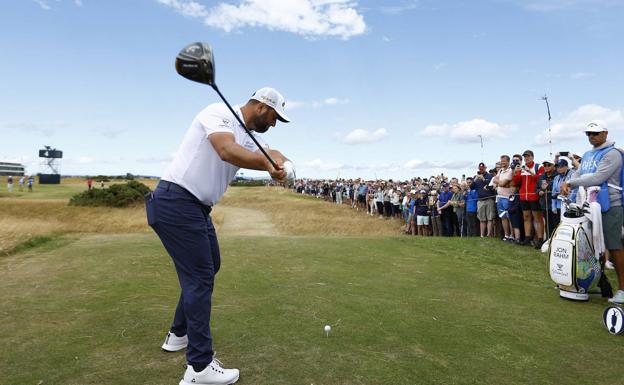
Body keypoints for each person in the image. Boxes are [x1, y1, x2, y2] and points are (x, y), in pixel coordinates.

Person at [147, 87, 290, 384]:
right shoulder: (218, 113)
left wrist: (285, 165)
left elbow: (270, 152)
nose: (275, 123)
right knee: (199, 278)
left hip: (196, 209)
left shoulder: (252, 137)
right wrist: (266, 165)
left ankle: (179, 333)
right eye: (275, 117)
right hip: (177, 202)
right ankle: (199, 368)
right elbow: (226, 150)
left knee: (210, 266)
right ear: (262, 107)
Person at [561, 122, 624, 304]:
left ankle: (622, 289)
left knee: (614, 246)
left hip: (610, 204)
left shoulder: (613, 154)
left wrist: (571, 183)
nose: (591, 137)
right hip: (588, 204)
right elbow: (578, 173)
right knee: (589, 245)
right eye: (588, 134)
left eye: (595, 133)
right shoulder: (588, 154)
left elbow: (599, 177)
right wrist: (570, 181)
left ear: (605, 133)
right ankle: (594, 281)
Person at [512, 150, 544, 247]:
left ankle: (540, 239)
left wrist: (529, 171)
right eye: (525, 157)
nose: (526, 158)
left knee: (537, 218)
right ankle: (527, 237)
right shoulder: (521, 168)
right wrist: (515, 173)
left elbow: (540, 179)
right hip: (523, 196)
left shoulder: (538, 167)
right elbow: (516, 182)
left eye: (528, 156)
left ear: (532, 157)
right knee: (526, 217)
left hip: (534, 196)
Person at [491, 155, 514, 241]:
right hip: (499, 197)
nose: (502, 162)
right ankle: (506, 235)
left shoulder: (510, 170)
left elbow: (502, 183)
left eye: (504, 161)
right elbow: (495, 180)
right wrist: (500, 182)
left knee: (509, 217)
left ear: (508, 161)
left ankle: (512, 235)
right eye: (501, 161)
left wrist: (500, 182)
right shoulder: (500, 170)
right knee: (503, 217)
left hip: (507, 197)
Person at [536, 160, 558, 239]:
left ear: (553, 166)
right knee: (547, 224)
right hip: (544, 203)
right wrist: (539, 192)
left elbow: (556, 188)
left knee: (556, 223)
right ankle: (548, 240)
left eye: (549, 165)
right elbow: (537, 188)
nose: (546, 166)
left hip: (555, 204)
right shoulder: (542, 176)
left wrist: (547, 188)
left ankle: (556, 240)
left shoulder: (557, 175)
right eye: (545, 165)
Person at [473, 162, 496, 237]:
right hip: (480, 200)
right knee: (482, 219)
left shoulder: (490, 176)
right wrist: (475, 180)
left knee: (489, 218)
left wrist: (483, 179)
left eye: (482, 168)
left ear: (485, 168)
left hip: (489, 199)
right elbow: (471, 187)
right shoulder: (475, 177)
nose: (481, 169)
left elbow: (491, 185)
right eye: (480, 168)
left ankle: (489, 234)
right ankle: (482, 235)